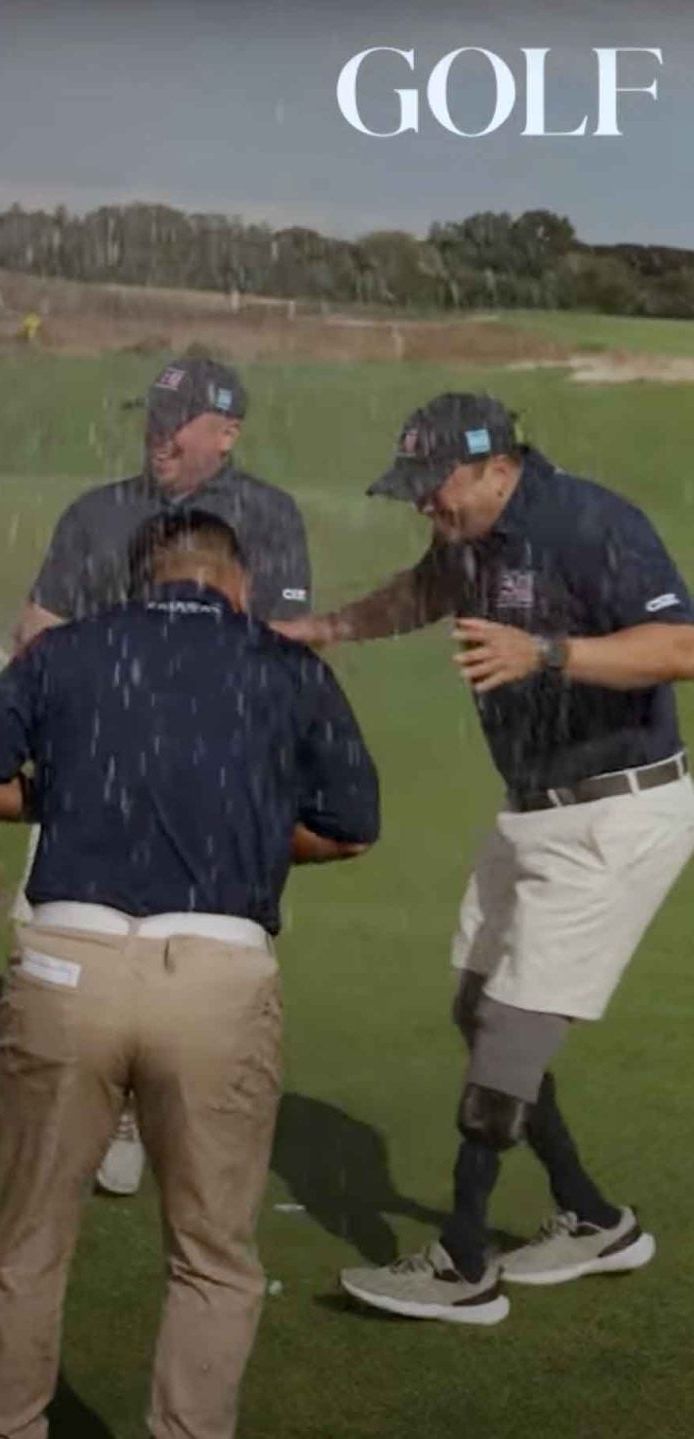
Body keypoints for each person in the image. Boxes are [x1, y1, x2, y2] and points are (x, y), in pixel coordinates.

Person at [0, 509, 380, 1439]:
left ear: (141, 580)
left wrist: (67, 802)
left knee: (26, 1243)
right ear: (238, 583)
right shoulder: (287, 665)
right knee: (212, 1257)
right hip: (215, 976)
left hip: (67, 963)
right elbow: (351, 827)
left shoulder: (68, 649)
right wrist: (244, 839)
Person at [281, 395, 694, 1326]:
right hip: (535, 813)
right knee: (477, 1008)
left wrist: (544, 653)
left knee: (508, 1031)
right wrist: (324, 629)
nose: (425, 505)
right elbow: (425, 590)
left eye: (436, 488)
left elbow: (681, 646)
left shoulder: (591, 522)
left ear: (496, 467)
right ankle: (595, 1219)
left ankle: (463, 1262)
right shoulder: (469, 537)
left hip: (616, 815)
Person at [12, 355, 314, 1198]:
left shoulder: (266, 516)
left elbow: (283, 649)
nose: (160, 433)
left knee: (200, 954)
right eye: (154, 415)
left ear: (228, 431)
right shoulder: (98, 511)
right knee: (68, 951)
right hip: (94, 771)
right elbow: (39, 625)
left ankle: (173, 1109)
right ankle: (91, 1110)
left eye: (178, 419)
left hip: (214, 780)